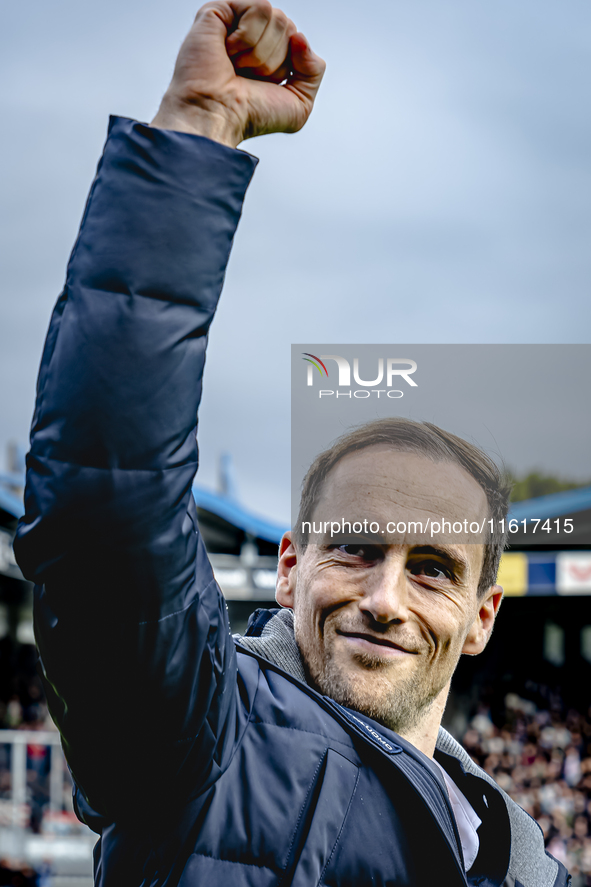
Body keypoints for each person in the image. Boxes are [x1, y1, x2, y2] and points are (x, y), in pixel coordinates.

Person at [14, 2, 569, 885]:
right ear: (287, 566)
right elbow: (104, 508)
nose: (385, 598)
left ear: (482, 618)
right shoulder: (201, 739)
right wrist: (196, 135)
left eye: (432, 567)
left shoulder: (527, 863)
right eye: (353, 548)